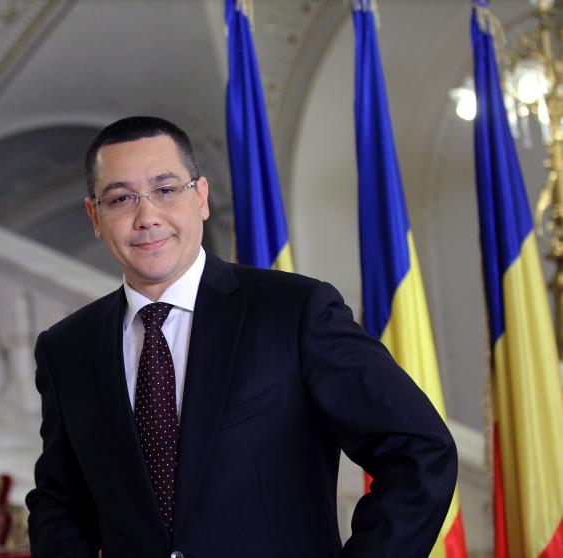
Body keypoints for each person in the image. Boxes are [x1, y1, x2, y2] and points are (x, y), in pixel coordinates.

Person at [26, 116, 457, 558]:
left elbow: (419, 451)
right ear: (95, 216)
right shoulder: (66, 350)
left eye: (166, 190)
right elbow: (60, 503)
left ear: (201, 197)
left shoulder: (294, 311)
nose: (147, 217)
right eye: (121, 198)